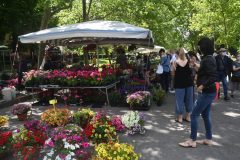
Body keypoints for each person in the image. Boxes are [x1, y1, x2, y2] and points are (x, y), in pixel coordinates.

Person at [179, 37, 218, 148]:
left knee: (194, 114)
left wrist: (202, 85)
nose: (199, 48)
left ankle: (192, 140)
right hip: (209, 92)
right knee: (205, 115)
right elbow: (204, 71)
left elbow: (213, 76)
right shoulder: (208, 58)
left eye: (200, 46)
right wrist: (195, 64)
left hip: (207, 92)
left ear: (204, 47)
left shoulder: (209, 59)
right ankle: (208, 138)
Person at [173, 48, 194, 123]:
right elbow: (191, 72)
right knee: (189, 100)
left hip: (179, 84)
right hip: (189, 83)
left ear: (178, 54)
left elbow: (173, 74)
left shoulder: (175, 62)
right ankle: (188, 117)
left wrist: (173, 67)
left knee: (179, 100)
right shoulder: (189, 62)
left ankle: (180, 118)